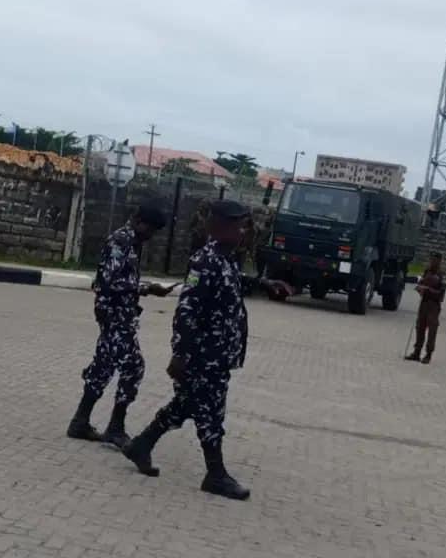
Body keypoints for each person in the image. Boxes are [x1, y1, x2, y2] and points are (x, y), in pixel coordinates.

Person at [122, 199, 286, 500]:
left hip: (217, 355)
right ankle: (215, 474)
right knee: (210, 413)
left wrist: (264, 283)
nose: (243, 232)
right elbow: (187, 310)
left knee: (185, 405)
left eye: (244, 227)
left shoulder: (226, 259)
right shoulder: (205, 261)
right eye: (238, 227)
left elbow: (232, 283)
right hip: (203, 355)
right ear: (219, 227)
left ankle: (141, 445)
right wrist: (180, 354)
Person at [67, 202, 170, 448]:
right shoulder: (121, 241)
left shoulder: (131, 242)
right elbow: (110, 281)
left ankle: (80, 422)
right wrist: (146, 288)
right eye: (150, 229)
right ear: (139, 221)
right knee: (133, 367)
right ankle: (115, 428)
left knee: (103, 366)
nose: (151, 235)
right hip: (114, 316)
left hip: (119, 315)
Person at [405, 251, 446, 364]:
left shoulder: (443, 275)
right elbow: (421, 282)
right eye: (431, 260)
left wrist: (428, 290)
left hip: (434, 305)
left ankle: (428, 354)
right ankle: (416, 352)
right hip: (423, 303)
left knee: (432, 330)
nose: (432, 262)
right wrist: (419, 288)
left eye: (435, 260)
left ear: (439, 261)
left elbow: (441, 293)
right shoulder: (427, 271)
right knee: (420, 327)